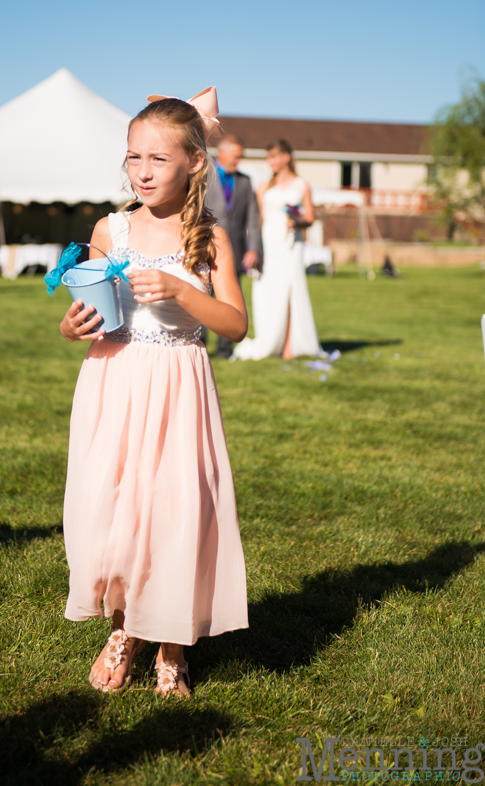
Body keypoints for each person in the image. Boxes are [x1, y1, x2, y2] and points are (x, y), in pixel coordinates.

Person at [59, 88, 248, 698]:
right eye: (133, 158)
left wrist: (180, 291)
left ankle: (171, 646)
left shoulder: (208, 239)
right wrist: (71, 326)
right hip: (114, 382)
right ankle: (123, 631)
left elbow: (236, 325)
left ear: (195, 162)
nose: (142, 171)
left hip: (178, 387)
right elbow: (94, 310)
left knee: (171, 513)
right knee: (116, 515)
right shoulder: (109, 229)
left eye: (158, 160)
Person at [231, 138, 322, 361]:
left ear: (286, 157)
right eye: (268, 157)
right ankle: (272, 339)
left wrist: (297, 222)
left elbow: (310, 217)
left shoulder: (302, 185)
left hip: (291, 244)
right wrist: (253, 248)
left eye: (273, 157)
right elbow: (257, 220)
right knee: (269, 291)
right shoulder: (264, 187)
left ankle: (291, 344)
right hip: (268, 244)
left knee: (291, 289)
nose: (270, 161)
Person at [205, 134, 262, 358]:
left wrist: (254, 249)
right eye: (236, 157)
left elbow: (253, 220)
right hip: (203, 248)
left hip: (236, 251)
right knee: (201, 296)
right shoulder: (202, 175)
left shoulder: (245, 182)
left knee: (230, 302)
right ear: (223, 153)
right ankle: (197, 344)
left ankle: (225, 349)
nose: (239, 161)